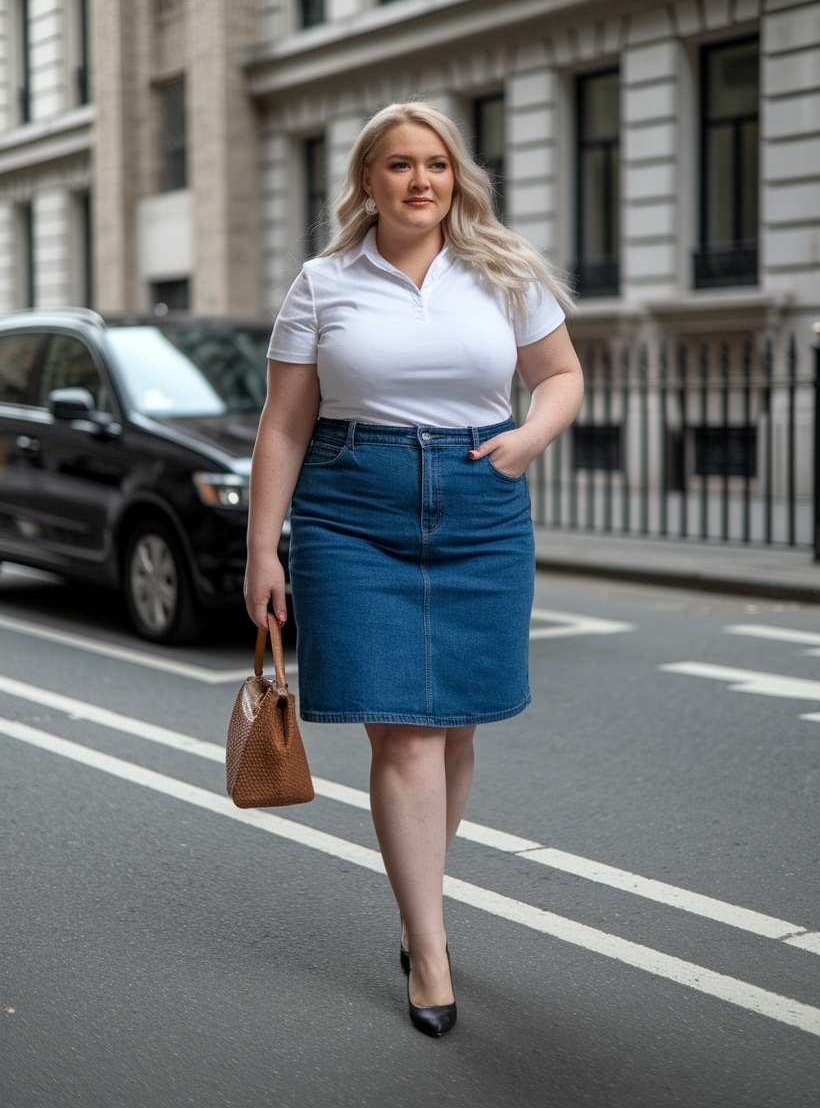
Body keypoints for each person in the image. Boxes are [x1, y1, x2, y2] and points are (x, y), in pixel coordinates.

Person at [244, 101, 583, 1038]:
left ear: (456, 175)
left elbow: (561, 377)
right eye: (398, 164)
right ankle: (430, 948)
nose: (420, 180)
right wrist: (263, 546)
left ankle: (415, 903)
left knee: (454, 726)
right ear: (368, 180)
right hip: (353, 511)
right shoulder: (323, 283)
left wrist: (528, 439)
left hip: (481, 506)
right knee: (402, 736)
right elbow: (284, 425)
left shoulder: (503, 271)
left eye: (435, 163)